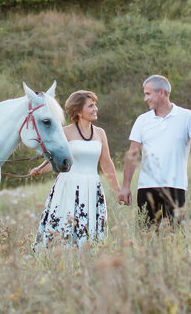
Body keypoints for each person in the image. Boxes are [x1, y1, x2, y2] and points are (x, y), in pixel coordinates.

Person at [118, 75, 191, 227]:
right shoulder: (142, 120)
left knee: (175, 236)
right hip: (147, 188)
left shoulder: (186, 116)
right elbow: (132, 154)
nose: (145, 98)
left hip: (175, 187)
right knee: (148, 238)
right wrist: (125, 186)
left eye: (148, 94)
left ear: (161, 92)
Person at [30, 89, 122, 248]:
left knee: (89, 231)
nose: (95, 109)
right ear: (79, 111)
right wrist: (38, 170)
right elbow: (54, 161)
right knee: (66, 228)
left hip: (92, 186)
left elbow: (106, 163)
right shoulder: (65, 132)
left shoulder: (100, 133)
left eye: (95, 105)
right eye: (91, 106)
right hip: (69, 186)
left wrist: (118, 191)